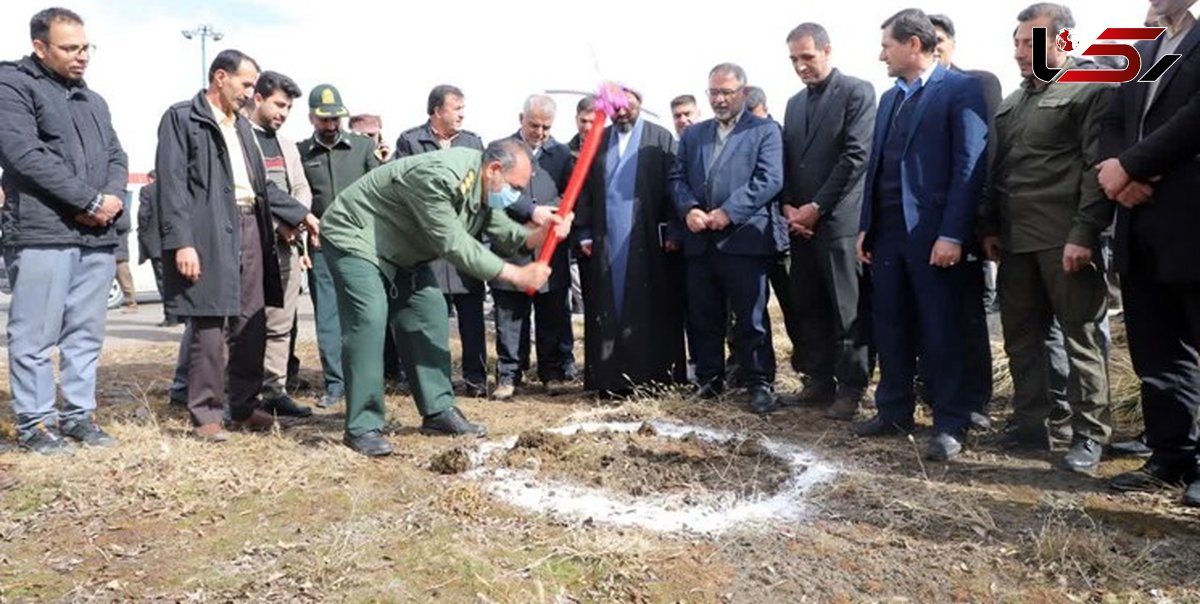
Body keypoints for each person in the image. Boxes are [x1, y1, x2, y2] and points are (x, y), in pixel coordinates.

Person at [319, 141, 570, 456]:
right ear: (494, 170)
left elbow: (502, 230)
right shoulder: (439, 177)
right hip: (355, 234)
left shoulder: (482, 183)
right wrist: (517, 275)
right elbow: (453, 244)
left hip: (402, 248)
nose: (516, 196)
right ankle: (363, 426)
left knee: (429, 312)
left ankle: (438, 412)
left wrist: (541, 234)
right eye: (515, 187)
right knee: (369, 317)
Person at [155, 49, 319, 441]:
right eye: (245, 84)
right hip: (208, 230)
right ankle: (206, 415)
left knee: (253, 321)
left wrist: (300, 213)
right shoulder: (183, 118)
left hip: (251, 227)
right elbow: (172, 186)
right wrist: (182, 243)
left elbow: (260, 189)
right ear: (220, 77)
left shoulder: (243, 127)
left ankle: (243, 407)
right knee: (210, 326)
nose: (250, 92)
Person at [980, 3, 1115, 475]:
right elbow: (1000, 171)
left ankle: (1090, 435)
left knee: (1081, 338)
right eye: (1016, 43)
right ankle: (1029, 424)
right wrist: (991, 227)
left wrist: (1084, 233)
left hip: (1066, 240)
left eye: (1028, 42)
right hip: (1016, 241)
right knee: (1021, 338)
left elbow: (1095, 170)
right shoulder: (1013, 102)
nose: (1019, 52)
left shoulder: (1090, 87)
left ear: (1063, 41)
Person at [853, 9, 988, 461]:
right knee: (889, 325)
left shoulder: (960, 90)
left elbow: (968, 167)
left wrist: (952, 234)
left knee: (941, 329)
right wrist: (866, 227)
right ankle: (893, 409)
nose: (880, 55)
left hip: (933, 237)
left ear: (913, 45)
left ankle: (951, 422)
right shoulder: (890, 98)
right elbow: (878, 167)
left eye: (887, 45)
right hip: (887, 235)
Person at [0, 7, 126, 454]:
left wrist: (109, 200)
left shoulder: (94, 101)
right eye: (69, 48)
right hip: (42, 231)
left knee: (84, 334)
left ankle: (77, 416)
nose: (82, 57)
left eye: (85, 47)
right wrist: (87, 201)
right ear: (40, 47)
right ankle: (35, 423)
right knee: (35, 335)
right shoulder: (12, 85)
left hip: (95, 237)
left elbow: (116, 156)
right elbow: (23, 154)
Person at [1099, 0, 1200, 506]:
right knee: (1158, 350)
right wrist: (1118, 171)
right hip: (1139, 222)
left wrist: (1133, 165)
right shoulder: (1146, 50)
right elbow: (1114, 122)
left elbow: (1193, 118)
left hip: (1192, 218)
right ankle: (1170, 455)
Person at [670, 63, 786, 414]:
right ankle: (709, 379)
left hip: (744, 240)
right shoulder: (694, 135)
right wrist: (689, 208)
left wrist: (728, 211)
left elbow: (769, 180)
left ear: (743, 93)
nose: (719, 99)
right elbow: (676, 178)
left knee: (750, 317)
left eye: (726, 92)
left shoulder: (764, 131)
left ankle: (759, 383)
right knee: (703, 315)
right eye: (713, 93)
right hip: (700, 241)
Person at [779, 22, 876, 420]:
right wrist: (789, 206)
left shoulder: (857, 92)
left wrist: (816, 208)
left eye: (807, 57)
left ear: (827, 51)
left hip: (839, 222)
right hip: (801, 224)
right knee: (809, 305)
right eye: (794, 60)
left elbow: (855, 157)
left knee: (845, 309)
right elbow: (788, 160)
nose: (801, 66)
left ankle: (852, 387)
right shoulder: (794, 103)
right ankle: (817, 379)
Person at [575, 86, 688, 395]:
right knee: (608, 306)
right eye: (616, 108)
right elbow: (583, 190)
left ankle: (654, 380)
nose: (622, 112)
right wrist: (583, 231)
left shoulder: (660, 137)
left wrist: (675, 231)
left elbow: (675, 187)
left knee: (651, 307)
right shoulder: (597, 140)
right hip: (606, 238)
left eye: (628, 105)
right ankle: (609, 381)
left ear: (640, 103)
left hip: (650, 240)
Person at [928, 12, 1002, 431]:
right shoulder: (906, 93)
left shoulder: (977, 84)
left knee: (970, 315)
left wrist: (984, 222)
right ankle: (938, 390)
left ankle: (976, 401)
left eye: (939, 38)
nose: (933, 45)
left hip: (966, 225)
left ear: (951, 42)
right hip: (922, 232)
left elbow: (982, 159)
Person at [394, 85, 489, 397]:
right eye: (456, 107)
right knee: (429, 317)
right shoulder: (410, 141)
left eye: (464, 107)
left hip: (463, 244)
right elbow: (404, 187)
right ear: (436, 111)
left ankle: (476, 380)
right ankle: (433, 381)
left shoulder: (473, 142)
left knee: (472, 317)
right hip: (427, 247)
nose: (462, 113)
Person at [298, 84, 381, 408]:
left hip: (360, 244)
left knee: (364, 315)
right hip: (321, 246)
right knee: (329, 318)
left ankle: (366, 378)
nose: (331, 126)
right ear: (312, 118)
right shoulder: (302, 153)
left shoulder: (362, 148)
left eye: (336, 119)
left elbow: (379, 189)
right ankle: (336, 384)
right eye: (324, 120)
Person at [490, 95, 576, 399]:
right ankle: (509, 374)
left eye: (546, 127)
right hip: (511, 244)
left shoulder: (562, 154)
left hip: (550, 247)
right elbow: (493, 191)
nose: (539, 132)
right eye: (534, 125)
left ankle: (552, 372)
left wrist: (556, 215)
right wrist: (530, 212)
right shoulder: (500, 149)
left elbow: (571, 193)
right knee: (510, 315)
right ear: (520, 118)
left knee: (553, 311)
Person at [248, 71, 313, 418]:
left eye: (288, 107)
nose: (283, 113)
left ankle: (274, 390)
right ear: (257, 98)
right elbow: (250, 194)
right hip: (251, 243)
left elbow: (302, 188)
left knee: (281, 322)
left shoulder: (287, 145)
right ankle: (243, 392)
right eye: (278, 104)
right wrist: (278, 222)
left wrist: (295, 219)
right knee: (246, 323)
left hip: (286, 247)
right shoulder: (241, 139)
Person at [135, 171, 179, 326]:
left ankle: (171, 316)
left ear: (150, 178)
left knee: (163, 281)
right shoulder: (175, 188)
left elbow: (143, 214)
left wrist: (142, 232)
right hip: (176, 240)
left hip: (156, 243)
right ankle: (183, 315)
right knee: (179, 279)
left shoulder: (147, 190)